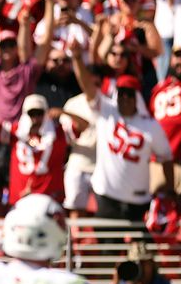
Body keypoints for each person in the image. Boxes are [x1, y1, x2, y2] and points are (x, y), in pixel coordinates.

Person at [70, 45, 173, 222]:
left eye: (129, 95)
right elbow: (87, 86)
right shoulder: (106, 110)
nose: (125, 99)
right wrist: (78, 58)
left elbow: (166, 158)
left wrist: (170, 191)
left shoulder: (150, 125)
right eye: (122, 93)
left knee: (138, 249)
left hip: (138, 201)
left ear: (137, 97)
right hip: (106, 196)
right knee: (107, 247)